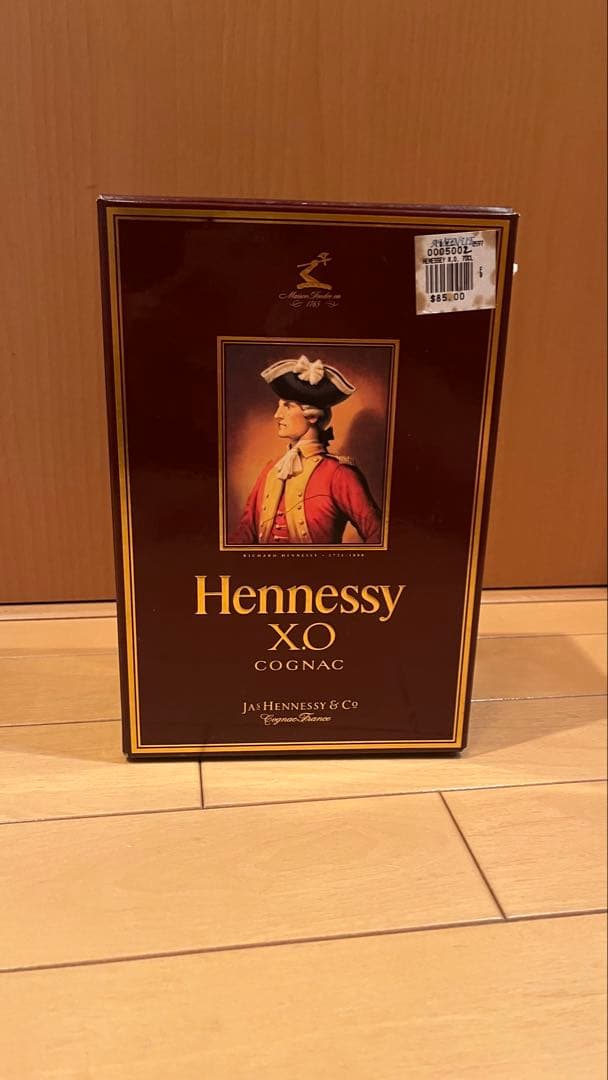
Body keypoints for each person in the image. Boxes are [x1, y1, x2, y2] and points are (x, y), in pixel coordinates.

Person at [230, 355, 382, 545]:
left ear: (311, 416)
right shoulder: (270, 470)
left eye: (287, 406)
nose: (277, 415)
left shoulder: (339, 474)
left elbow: (379, 536)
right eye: (279, 407)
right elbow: (244, 534)